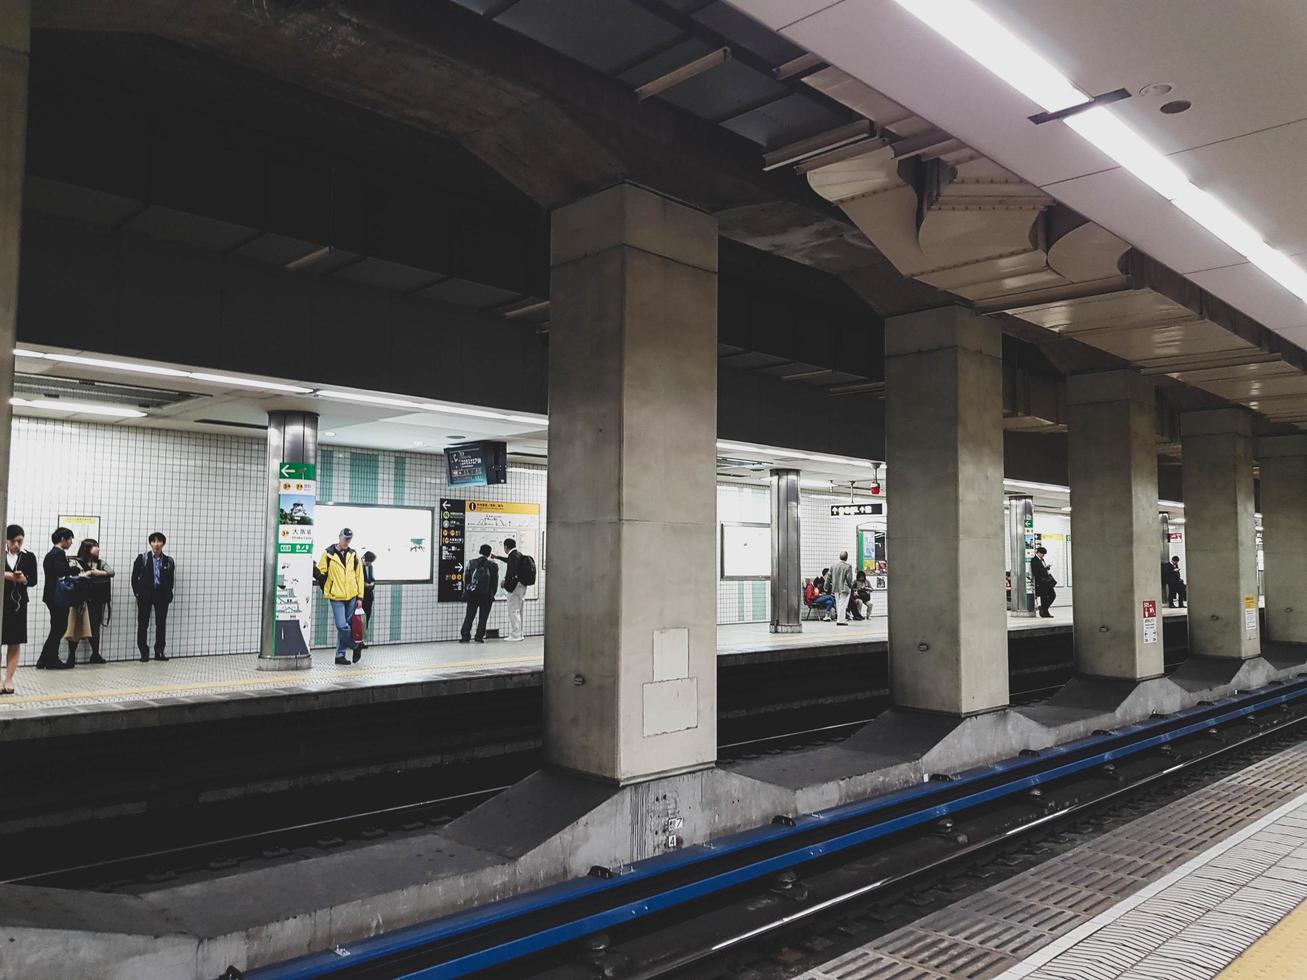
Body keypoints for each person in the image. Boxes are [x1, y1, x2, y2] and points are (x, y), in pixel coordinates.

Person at [316, 528, 365, 665]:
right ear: (339, 537)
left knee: (347, 625)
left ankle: (340, 655)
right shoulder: (328, 553)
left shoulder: (353, 554)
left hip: (351, 595)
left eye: (349, 539)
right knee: (341, 625)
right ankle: (357, 645)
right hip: (336, 595)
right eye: (345, 539)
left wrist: (360, 597)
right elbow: (321, 572)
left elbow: (359, 577)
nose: (347, 542)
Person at [66, 539, 114, 665]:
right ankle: (71, 655)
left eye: (97, 546)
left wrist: (97, 572)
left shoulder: (100, 563)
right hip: (80, 600)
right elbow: (72, 576)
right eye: (94, 547)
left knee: (95, 627)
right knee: (75, 627)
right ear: (86, 549)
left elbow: (111, 572)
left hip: (96, 600)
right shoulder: (76, 562)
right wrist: (86, 573)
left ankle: (95, 654)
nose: (97, 549)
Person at [3, 525, 37, 693]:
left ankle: (9, 679)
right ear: (6, 540)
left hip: (18, 603)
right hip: (1, 602)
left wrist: (23, 579)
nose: (16, 544)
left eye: (20, 541)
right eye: (13, 541)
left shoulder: (29, 557)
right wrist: (6, 576)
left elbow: (33, 580)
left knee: (15, 641)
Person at [38, 527, 79, 670]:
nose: (71, 542)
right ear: (62, 539)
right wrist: (75, 569)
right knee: (59, 627)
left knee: (56, 627)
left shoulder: (51, 554)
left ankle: (43, 659)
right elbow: (60, 571)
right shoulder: (58, 554)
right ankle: (51, 660)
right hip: (57, 596)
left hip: (51, 595)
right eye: (70, 539)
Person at [131, 532, 175, 662]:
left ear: (163, 544)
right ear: (150, 543)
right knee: (143, 623)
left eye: (159, 541)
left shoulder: (168, 561)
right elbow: (134, 578)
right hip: (145, 595)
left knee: (161, 624)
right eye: (154, 541)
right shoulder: (142, 558)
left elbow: (170, 580)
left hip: (161, 596)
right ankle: (144, 652)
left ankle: (159, 652)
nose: (156, 544)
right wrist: (137, 593)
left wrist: (168, 594)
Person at [460, 544, 498, 644]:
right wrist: (492, 594)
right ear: (489, 553)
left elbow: (466, 579)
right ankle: (479, 637)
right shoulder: (493, 566)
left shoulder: (471, 563)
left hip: (472, 595)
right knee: (483, 617)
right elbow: (495, 583)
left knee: (469, 616)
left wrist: (467, 592)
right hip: (486, 596)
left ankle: (465, 636)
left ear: (479, 551)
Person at [495, 537, 527, 642]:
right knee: (519, 610)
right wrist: (498, 557)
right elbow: (509, 561)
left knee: (513, 610)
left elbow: (511, 571)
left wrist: (505, 581)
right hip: (522, 586)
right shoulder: (518, 554)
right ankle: (520, 634)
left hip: (514, 587)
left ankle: (515, 635)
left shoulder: (512, 556)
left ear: (506, 547)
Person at [829, 551, 855, 625]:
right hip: (844, 587)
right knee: (842, 604)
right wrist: (850, 586)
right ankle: (840, 620)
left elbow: (829, 576)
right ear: (846, 557)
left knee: (838, 604)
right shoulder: (848, 566)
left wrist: (826, 586)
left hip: (836, 587)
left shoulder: (833, 566)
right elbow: (849, 578)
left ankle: (840, 619)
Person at [1031, 546, 1057, 618]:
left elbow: (1042, 570)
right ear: (1038, 552)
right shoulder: (1034, 560)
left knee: (1052, 595)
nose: (1043, 555)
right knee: (1045, 597)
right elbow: (1036, 573)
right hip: (1041, 583)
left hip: (1046, 582)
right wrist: (1044, 570)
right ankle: (1045, 612)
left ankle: (1043, 609)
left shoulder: (1041, 560)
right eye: (1042, 554)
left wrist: (1046, 568)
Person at [360, 550, 377, 645]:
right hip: (361, 597)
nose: (370, 563)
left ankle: (362, 641)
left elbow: (373, 579)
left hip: (369, 596)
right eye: (369, 561)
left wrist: (372, 584)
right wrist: (364, 584)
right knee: (359, 619)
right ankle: (356, 641)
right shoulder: (359, 567)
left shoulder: (370, 567)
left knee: (367, 618)